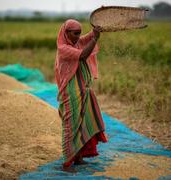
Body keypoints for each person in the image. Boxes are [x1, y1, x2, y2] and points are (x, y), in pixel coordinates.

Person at [55, 19, 107, 170]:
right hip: (71, 92)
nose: (78, 37)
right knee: (71, 125)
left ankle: (78, 157)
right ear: (66, 33)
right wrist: (95, 38)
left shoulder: (76, 42)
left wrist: (96, 30)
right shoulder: (63, 48)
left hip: (83, 89)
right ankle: (67, 161)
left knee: (82, 123)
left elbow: (87, 38)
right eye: (75, 33)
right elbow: (83, 55)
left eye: (79, 33)